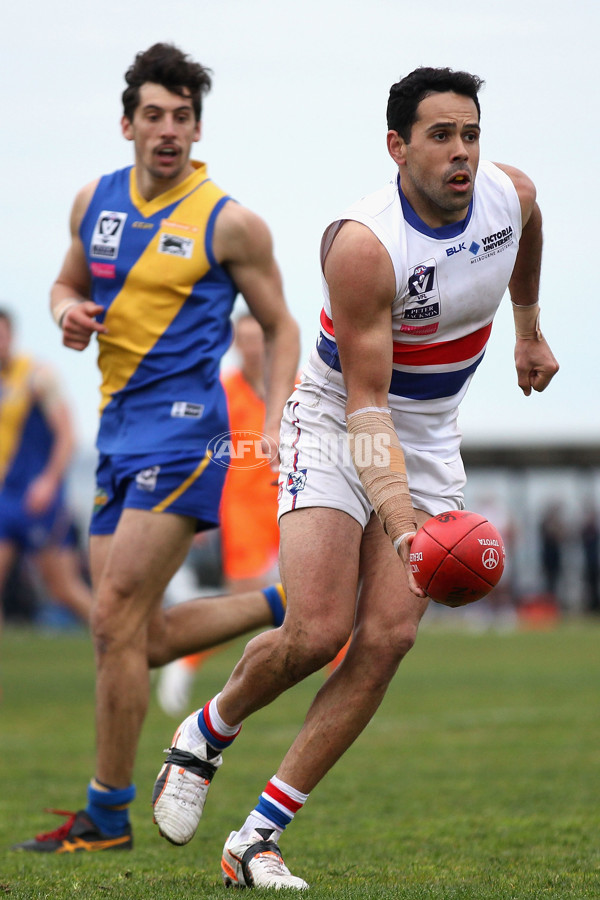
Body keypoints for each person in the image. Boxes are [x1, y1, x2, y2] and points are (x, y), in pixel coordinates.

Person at [151, 66, 559, 889]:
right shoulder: (364, 246)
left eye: (471, 134)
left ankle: (256, 839)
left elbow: (529, 233)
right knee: (317, 629)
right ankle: (206, 731)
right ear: (396, 146)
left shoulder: (510, 197)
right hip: (341, 420)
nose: (461, 154)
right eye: (440, 136)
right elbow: (369, 406)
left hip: (433, 432)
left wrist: (528, 329)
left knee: (390, 636)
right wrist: (408, 532)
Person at [13, 42, 299, 853]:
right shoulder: (92, 204)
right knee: (132, 636)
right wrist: (68, 309)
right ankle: (289, 604)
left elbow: (279, 329)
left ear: (197, 128)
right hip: (119, 429)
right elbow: (67, 284)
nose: (168, 129)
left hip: (187, 430)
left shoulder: (228, 221)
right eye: (154, 115)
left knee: (109, 617)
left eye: (182, 116)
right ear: (127, 124)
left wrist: (274, 418)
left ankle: (106, 814)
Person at [157, 312, 283, 716]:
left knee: (322, 597)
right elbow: (199, 451)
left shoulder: (292, 385)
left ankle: (344, 678)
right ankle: (187, 658)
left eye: (258, 338)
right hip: (241, 508)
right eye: (244, 339)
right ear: (235, 344)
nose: (252, 347)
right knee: (245, 603)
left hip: (290, 501)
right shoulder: (223, 391)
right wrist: (198, 510)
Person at [0, 308, 92, 632]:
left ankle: (124, 642)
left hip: (38, 496)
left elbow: (67, 435)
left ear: (10, 335)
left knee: (62, 588)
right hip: (5, 496)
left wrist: (49, 482)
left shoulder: (37, 376)